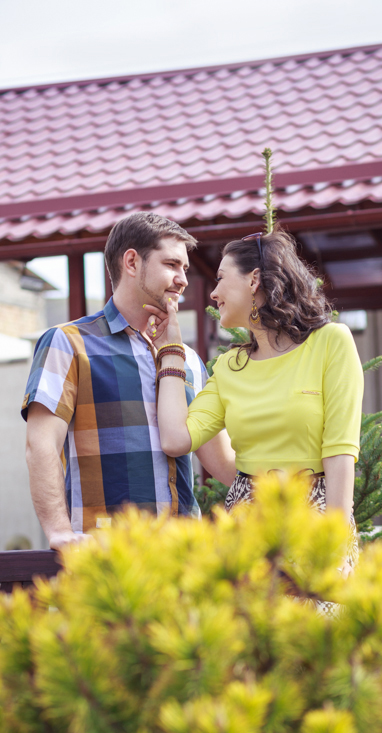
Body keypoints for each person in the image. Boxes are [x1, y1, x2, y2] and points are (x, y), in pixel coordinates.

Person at [148, 228, 364, 570]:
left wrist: (333, 543)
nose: (214, 293)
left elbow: (339, 450)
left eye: (220, 279)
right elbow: (176, 439)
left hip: (315, 522)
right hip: (246, 532)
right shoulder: (230, 367)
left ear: (254, 280)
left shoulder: (330, 342)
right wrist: (171, 350)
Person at [22, 212, 235, 548]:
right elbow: (41, 444)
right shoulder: (68, 343)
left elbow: (225, 463)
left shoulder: (189, 361)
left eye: (185, 269)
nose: (183, 280)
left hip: (184, 561)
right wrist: (60, 532)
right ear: (132, 262)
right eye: (171, 264)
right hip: (107, 560)